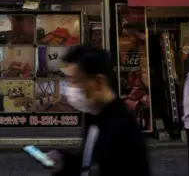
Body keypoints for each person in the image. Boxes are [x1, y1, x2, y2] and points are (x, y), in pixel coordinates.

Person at [46, 45, 150, 176]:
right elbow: (89, 163)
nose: (70, 89)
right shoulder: (93, 114)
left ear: (99, 81)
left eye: (75, 81)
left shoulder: (123, 128)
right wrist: (63, 162)